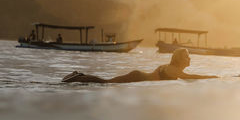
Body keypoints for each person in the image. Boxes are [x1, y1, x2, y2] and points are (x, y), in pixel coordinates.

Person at [62, 48, 218, 83]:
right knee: (105, 83)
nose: (189, 59)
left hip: (138, 77)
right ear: (179, 59)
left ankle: (78, 75)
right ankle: (78, 77)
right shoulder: (172, 69)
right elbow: (190, 78)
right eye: (186, 56)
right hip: (137, 77)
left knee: (106, 82)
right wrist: (215, 77)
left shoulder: (172, 69)